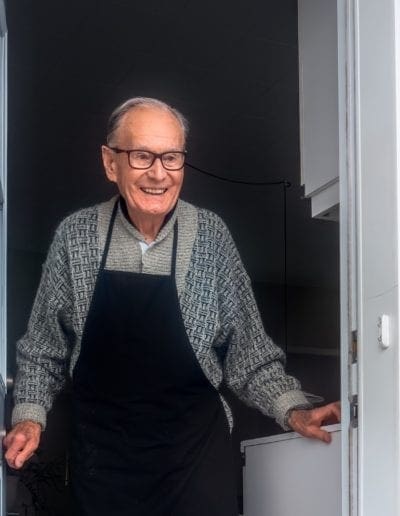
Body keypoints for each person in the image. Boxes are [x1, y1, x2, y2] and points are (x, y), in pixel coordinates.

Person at [4, 97, 340, 515]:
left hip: (195, 463)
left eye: (172, 157)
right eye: (142, 156)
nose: (159, 173)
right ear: (111, 163)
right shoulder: (76, 237)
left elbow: (249, 355)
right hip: (104, 467)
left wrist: (293, 410)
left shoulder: (211, 237)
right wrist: (29, 417)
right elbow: (43, 350)